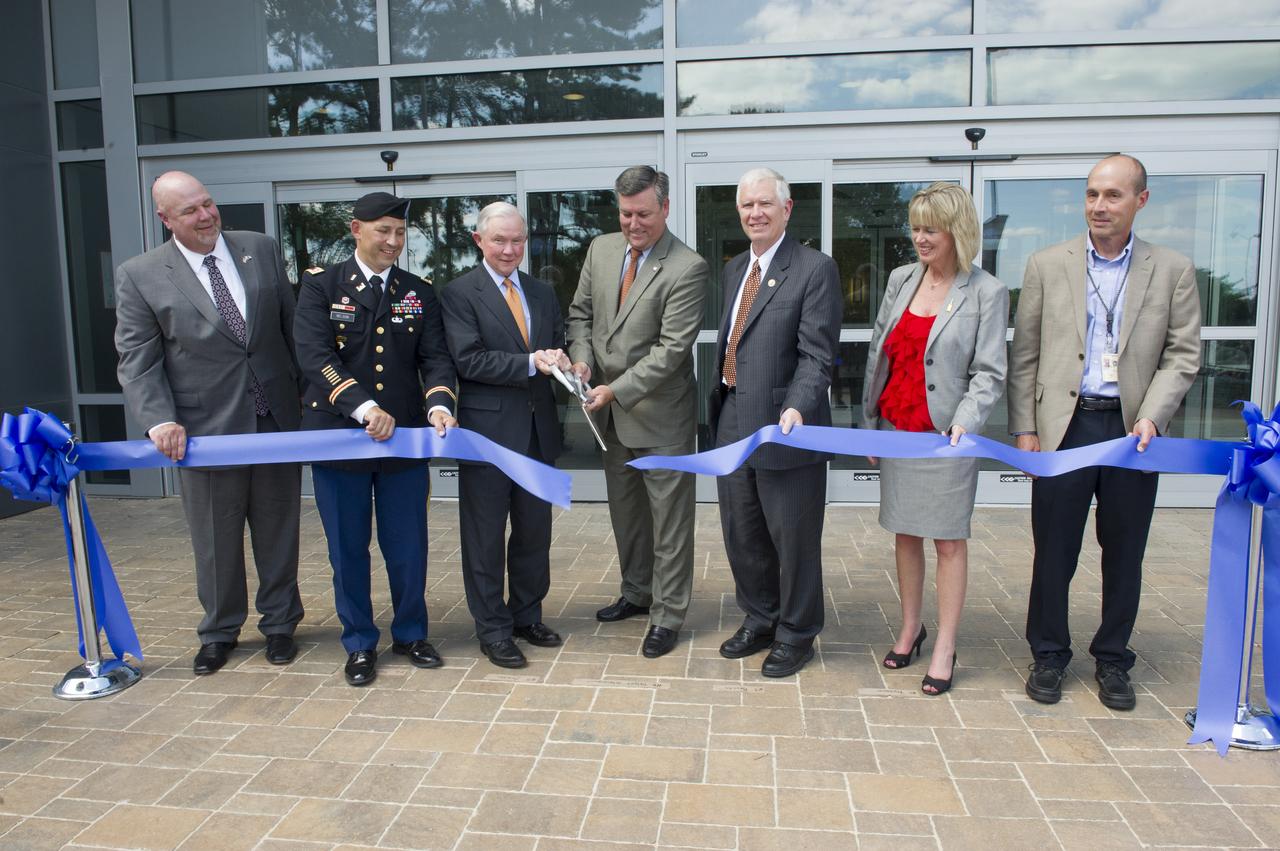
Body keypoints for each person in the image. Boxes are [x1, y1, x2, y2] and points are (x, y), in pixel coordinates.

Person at [1009, 154, 1200, 710]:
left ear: (1140, 201)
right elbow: (1025, 355)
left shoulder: (1172, 270)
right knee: (1054, 552)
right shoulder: (1047, 264)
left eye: (1113, 195)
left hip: (1131, 433)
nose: (1099, 205)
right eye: (1092, 194)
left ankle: (1113, 659)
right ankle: (1048, 654)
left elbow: (1183, 355)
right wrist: (1025, 427)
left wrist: (1153, 415)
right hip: (1063, 430)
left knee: (1124, 552)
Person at [114, 170, 303, 675]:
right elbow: (137, 358)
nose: (205, 216)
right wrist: (158, 420)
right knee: (216, 541)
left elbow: (291, 329)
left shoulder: (258, 248)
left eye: (208, 204)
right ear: (165, 219)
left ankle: (281, 625)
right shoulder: (141, 273)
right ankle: (219, 631)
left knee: (278, 531)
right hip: (203, 433)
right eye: (190, 211)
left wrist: (314, 401)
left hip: (274, 422)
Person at [293, 192, 458, 687]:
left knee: (408, 545)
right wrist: (364, 408)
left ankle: (410, 633)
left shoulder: (418, 290)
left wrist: (439, 403)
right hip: (340, 438)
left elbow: (435, 357)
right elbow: (314, 355)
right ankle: (360, 642)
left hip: (403, 440)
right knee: (347, 547)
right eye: (383, 231)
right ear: (356, 229)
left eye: (400, 233)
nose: (392, 241)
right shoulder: (321, 287)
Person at [861, 182, 1009, 695]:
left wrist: (965, 423)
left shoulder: (986, 291)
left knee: (948, 540)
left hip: (948, 436)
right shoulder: (902, 279)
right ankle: (910, 627)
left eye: (931, 229)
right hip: (898, 428)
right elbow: (879, 355)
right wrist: (870, 425)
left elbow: (989, 373)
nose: (920, 238)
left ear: (957, 231)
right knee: (905, 533)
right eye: (916, 227)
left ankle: (945, 643)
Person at [566, 166, 708, 659]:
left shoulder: (688, 267)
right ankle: (636, 592)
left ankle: (668, 615)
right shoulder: (601, 249)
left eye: (644, 214)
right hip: (609, 417)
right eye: (625, 214)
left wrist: (613, 389)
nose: (633, 224)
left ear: (665, 209)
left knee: (668, 523)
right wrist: (582, 359)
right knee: (628, 516)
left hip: (660, 418)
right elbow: (580, 314)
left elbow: (671, 352)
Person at [711, 167, 842, 678]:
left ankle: (796, 632)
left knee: (793, 535)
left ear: (787, 209)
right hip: (731, 416)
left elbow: (817, 354)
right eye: (747, 205)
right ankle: (760, 617)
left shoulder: (814, 268)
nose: (755, 213)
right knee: (741, 530)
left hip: (786, 422)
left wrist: (799, 405)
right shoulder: (732, 271)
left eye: (766, 204)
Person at [439, 202, 566, 669]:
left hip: (538, 433)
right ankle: (492, 629)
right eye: (499, 241)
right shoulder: (458, 294)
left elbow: (559, 347)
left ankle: (526, 616)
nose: (510, 249)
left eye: (517, 240)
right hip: (487, 437)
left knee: (535, 534)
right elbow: (467, 360)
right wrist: (530, 362)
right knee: (485, 537)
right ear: (479, 241)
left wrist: (569, 363)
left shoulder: (542, 291)